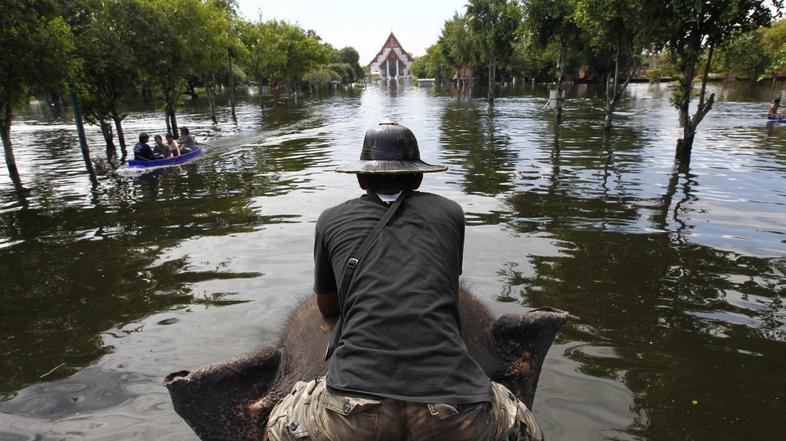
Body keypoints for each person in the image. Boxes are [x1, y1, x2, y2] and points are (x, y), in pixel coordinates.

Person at [265, 120, 543, 441]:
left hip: (350, 412)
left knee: (278, 425)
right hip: (456, 411)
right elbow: (445, 285)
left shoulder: (331, 219)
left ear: (360, 178)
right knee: (524, 426)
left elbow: (327, 305)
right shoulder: (451, 213)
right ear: (419, 175)